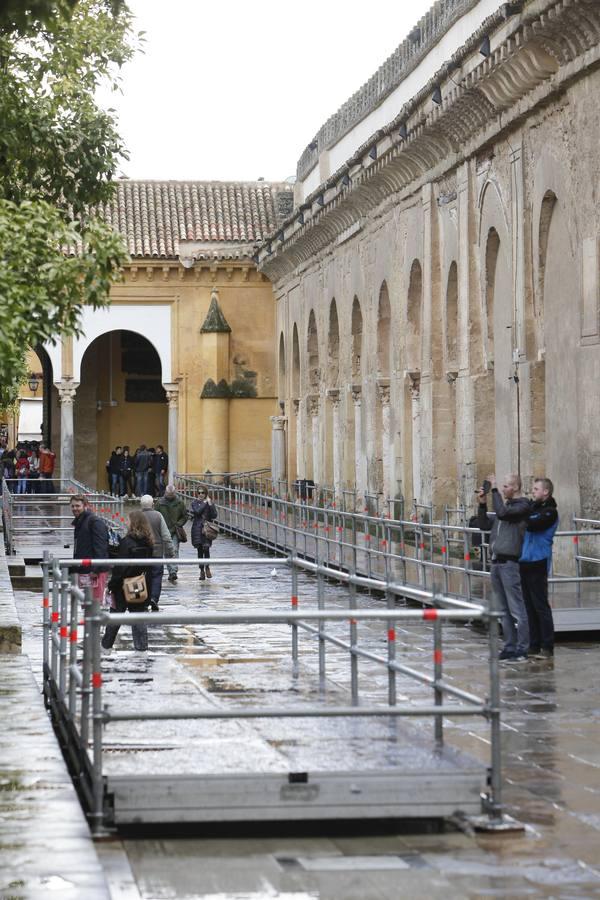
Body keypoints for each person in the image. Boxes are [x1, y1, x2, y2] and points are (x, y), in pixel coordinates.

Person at [478, 474, 531, 662]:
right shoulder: (505, 508)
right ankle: (509, 646)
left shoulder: (522, 507)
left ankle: (523, 648)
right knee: (504, 610)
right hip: (496, 563)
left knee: (517, 608)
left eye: (506, 486)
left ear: (516, 488)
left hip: (510, 564)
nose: (502, 489)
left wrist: (492, 490)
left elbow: (502, 513)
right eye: (501, 487)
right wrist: (483, 504)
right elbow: (484, 525)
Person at [101, 510, 154, 653]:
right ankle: (142, 648)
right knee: (138, 618)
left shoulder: (126, 542)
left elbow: (120, 568)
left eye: (128, 520)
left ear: (134, 523)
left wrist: (112, 585)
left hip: (122, 586)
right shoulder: (148, 542)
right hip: (139, 584)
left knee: (115, 618)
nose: (125, 522)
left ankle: (106, 646)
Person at [519, 478, 559, 660]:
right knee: (529, 606)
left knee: (540, 606)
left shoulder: (550, 512)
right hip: (525, 561)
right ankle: (533, 645)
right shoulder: (533, 509)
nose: (532, 492)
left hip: (539, 562)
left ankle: (547, 646)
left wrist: (524, 511)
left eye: (536, 489)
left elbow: (534, 524)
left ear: (546, 492)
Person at [71, 494, 110, 601]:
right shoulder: (80, 522)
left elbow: (101, 547)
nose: (75, 508)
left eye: (78, 506)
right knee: (87, 604)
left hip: (94, 571)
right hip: (84, 570)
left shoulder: (94, 522)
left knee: (95, 604)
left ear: (85, 506)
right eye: (73, 506)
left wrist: (96, 569)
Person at [140, 494, 174, 610]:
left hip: (141, 553)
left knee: (143, 576)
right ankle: (154, 598)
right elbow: (166, 536)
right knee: (156, 576)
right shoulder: (158, 516)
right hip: (157, 552)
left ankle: (144, 600)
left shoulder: (137, 517)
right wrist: (170, 552)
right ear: (153, 504)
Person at [156, 484, 187, 583]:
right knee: (167, 551)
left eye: (171, 495)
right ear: (165, 493)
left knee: (174, 550)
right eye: (168, 494)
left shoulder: (180, 503)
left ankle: (173, 571)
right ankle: (171, 571)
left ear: (174, 493)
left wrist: (179, 524)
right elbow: (156, 515)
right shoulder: (159, 503)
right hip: (163, 530)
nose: (169, 496)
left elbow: (185, 516)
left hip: (175, 530)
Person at [191, 487, 218, 580]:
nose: (201, 494)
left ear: (206, 493)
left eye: (203, 492)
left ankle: (207, 568)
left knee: (206, 549)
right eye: (199, 492)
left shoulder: (208, 503)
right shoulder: (194, 503)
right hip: (197, 529)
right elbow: (197, 511)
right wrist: (205, 503)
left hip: (207, 529)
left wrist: (210, 504)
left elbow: (214, 515)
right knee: (199, 551)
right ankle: (201, 570)